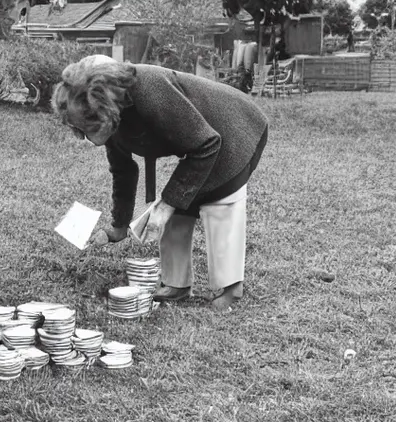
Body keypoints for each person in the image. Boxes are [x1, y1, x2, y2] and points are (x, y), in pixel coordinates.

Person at [52, 55, 269, 313]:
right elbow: (123, 170)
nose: (85, 137)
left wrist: (166, 204)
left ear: (103, 107)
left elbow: (207, 144)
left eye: (87, 128)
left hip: (237, 129)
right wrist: (119, 226)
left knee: (220, 202)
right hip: (204, 140)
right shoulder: (113, 111)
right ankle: (177, 285)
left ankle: (231, 289)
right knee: (179, 205)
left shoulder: (151, 91)